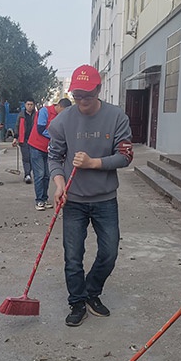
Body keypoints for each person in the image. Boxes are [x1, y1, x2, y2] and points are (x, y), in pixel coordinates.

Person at [49, 65, 133, 327]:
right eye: (77, 96)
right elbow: (54, 157)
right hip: (73, 200)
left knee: (109, 252)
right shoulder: (62, 121)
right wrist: (59, 184)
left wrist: (93, 163)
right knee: (72, 256)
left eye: (87, 95)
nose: (83, 101)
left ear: (98, 89)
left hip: (105, 199)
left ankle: (92, 291)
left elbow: (126, 155)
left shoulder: (117, 117)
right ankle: (77, 302)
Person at [29, 97, 71, 211]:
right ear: (60, 107)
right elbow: (40, 129)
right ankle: (39, 200)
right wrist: (55, 136)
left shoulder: (61, 117)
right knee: (40, 174)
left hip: (49, 149)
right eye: (64, 111)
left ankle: (44, 198)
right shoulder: (45, 111)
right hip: (37, 147)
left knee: (47, 175)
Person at [12, 99, 37, 184]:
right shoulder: (21, 115)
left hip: (34, 140)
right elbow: (17, 126)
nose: (30, 106)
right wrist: (15, 138)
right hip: (24, 139)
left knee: (32, 158)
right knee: (26, 158)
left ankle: (30, 172)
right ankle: (27, 174)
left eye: (31, 104)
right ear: (25, 105)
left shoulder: (36, 115)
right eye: (28, 104)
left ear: (34, 105)